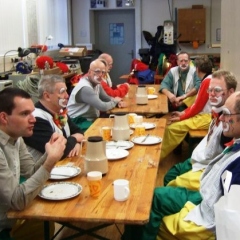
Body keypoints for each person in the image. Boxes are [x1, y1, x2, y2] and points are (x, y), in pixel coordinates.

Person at [123, 90, 240, 240]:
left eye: (226, 113)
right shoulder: (233, 140)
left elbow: (228, 220)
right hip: (205, 196)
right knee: (150, 198)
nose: (222, 117)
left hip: (210, 217)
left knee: (149, 221)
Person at [0, 88, 66, 239]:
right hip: (3, 227)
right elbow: (18, 201)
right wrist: (49, 162)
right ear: (4, 118)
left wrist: (49, 153)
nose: (33, 119)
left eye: (32, 112)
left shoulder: (16, 137)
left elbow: (30, 171)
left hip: (12, 218)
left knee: (46, 222)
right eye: (24, 114)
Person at [164, 70, 237, 190]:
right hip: (200, 159)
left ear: (230, 92)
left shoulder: (230, 125)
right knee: (169, 176)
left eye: (217, 90)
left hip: (208, 172)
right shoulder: (217, 113)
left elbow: (221, 163)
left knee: (169, 186)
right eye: (210, 90)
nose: (212, 94)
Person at [160, 56, 214, 159]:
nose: (184, 63)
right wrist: (183, 113)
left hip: (207, 118)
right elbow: (196, 105)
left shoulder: (207, 81)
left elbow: (197, 107)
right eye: (181, 60)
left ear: (197, 69)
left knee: (172, 128)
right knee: (174, 124)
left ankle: (158, 156)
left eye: (186, 61)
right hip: (205, 116)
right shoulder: (209, 78)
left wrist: (181, 117)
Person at [23, 75, 84, 161]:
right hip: (41, 172)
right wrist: (74, 139)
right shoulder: (35, 119)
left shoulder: (60, 111)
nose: (67, 96)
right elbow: (58, 152)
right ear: (47, 96)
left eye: (66, 91)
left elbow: (79, 131)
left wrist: (76, 143)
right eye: (62, 92)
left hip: (60, 166)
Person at [67, 59, 127, 131]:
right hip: (77, 121)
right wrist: (115, 101)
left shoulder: (97, 83)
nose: (100, 75)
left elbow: (106, 98)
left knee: (115, 127)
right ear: (89, 72)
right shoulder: (85, 88)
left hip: (89, 119)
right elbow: (102, 106)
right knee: (104, 131)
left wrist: (117, 102)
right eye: (97, 71)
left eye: (103, 72)